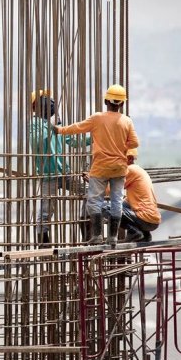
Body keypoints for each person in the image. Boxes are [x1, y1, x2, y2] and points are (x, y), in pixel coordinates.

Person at [54, 84, 139, 245]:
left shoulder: (97, 118)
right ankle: (113, 237)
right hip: (119, 168)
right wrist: (121, 147)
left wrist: (59, 130)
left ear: (106, 100)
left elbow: (77, 128)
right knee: (116, 200)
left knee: (94, 201)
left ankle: (97, 235)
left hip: (100, 167)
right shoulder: (127, 121)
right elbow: (134, 142)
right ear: (122, 104)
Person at [29, 89, 90, 246]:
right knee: (45, 212)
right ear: (36, 106)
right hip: (48, 175)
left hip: (65, 173)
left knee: (90, 193)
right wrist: (53, 128)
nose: (49, 104)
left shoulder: (54, 123)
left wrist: (96, 135)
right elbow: (37, 142)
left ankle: (86, 226)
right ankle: (44, 243)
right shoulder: (34, 124)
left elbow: (73, 141)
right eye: (45, 100)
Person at [122, 148, 160, 242]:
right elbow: (128, 201)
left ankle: (134, 232)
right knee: (122, 205)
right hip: (152, 220)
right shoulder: (139, 171)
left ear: (130, 158)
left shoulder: (130, 169)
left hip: (146, 219)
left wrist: (94, 182)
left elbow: (111, 190)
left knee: (109, 209)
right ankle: (145, 235)